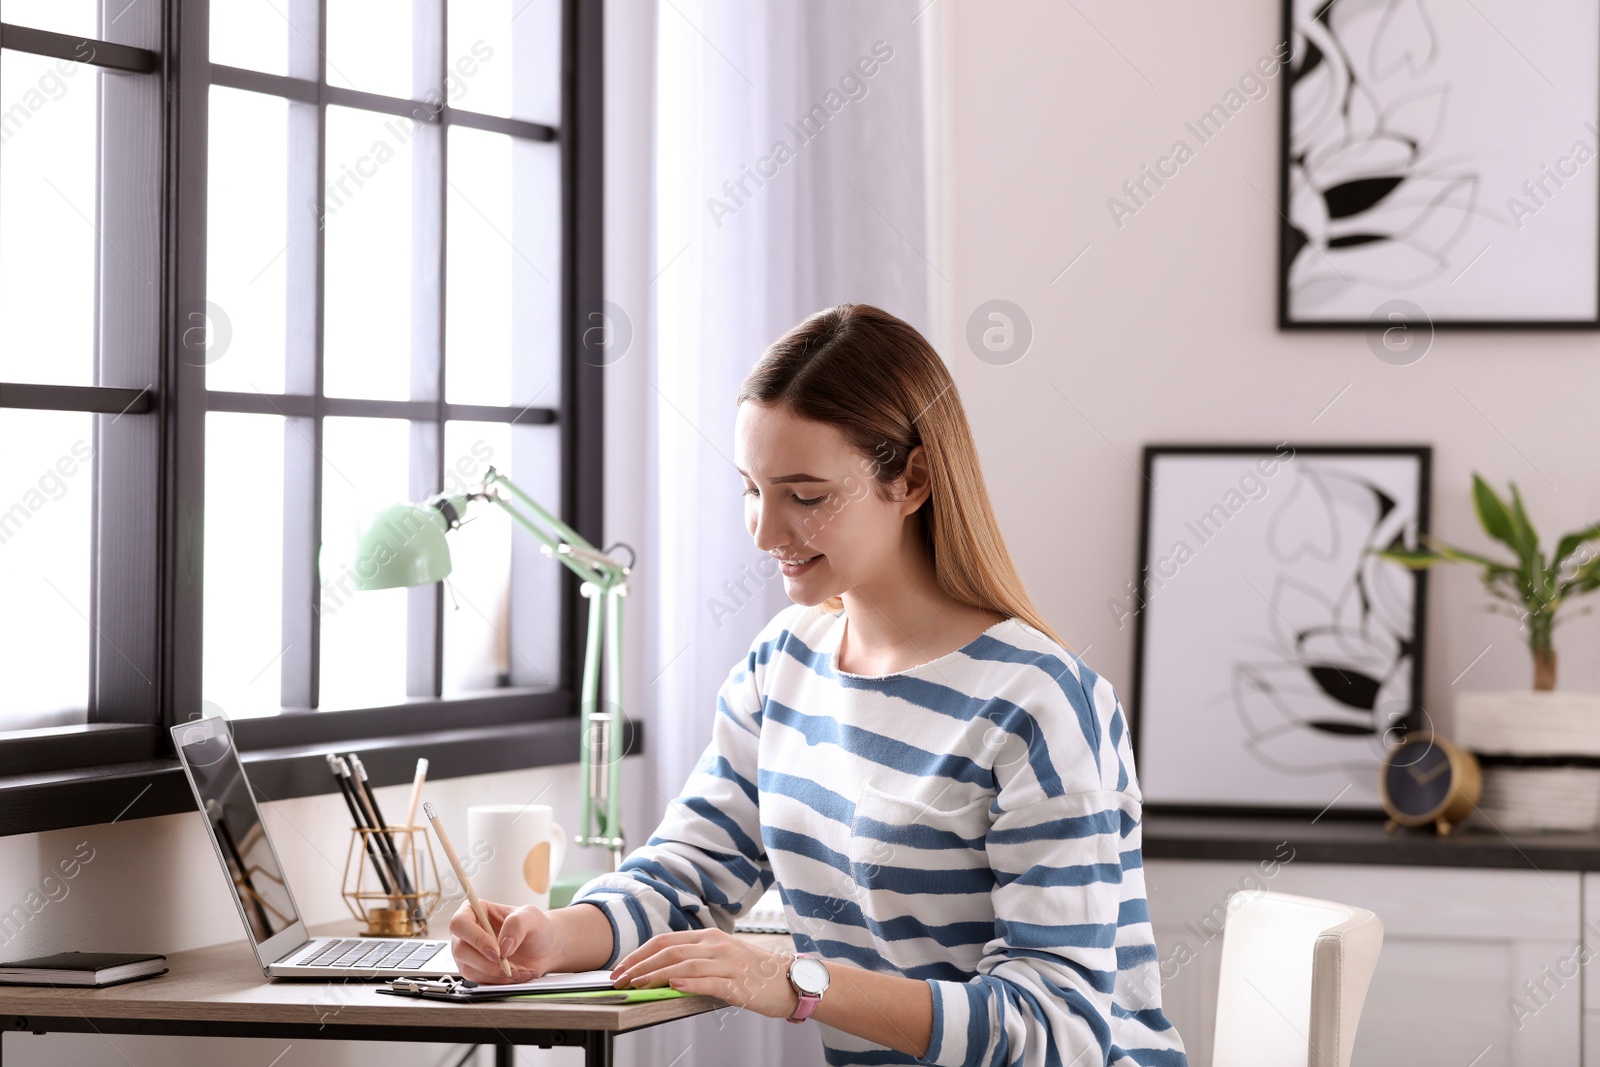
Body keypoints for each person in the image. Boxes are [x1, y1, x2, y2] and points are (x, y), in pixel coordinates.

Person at [450, 304, 1190, 1066]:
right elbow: (689, 872)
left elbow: (1056, 1028)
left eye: (805, 496)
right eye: (752, 488)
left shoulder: (1038, 703)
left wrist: (796, 981)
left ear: (912, 479)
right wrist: (550, 936)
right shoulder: (783, 665)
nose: (767, 532)